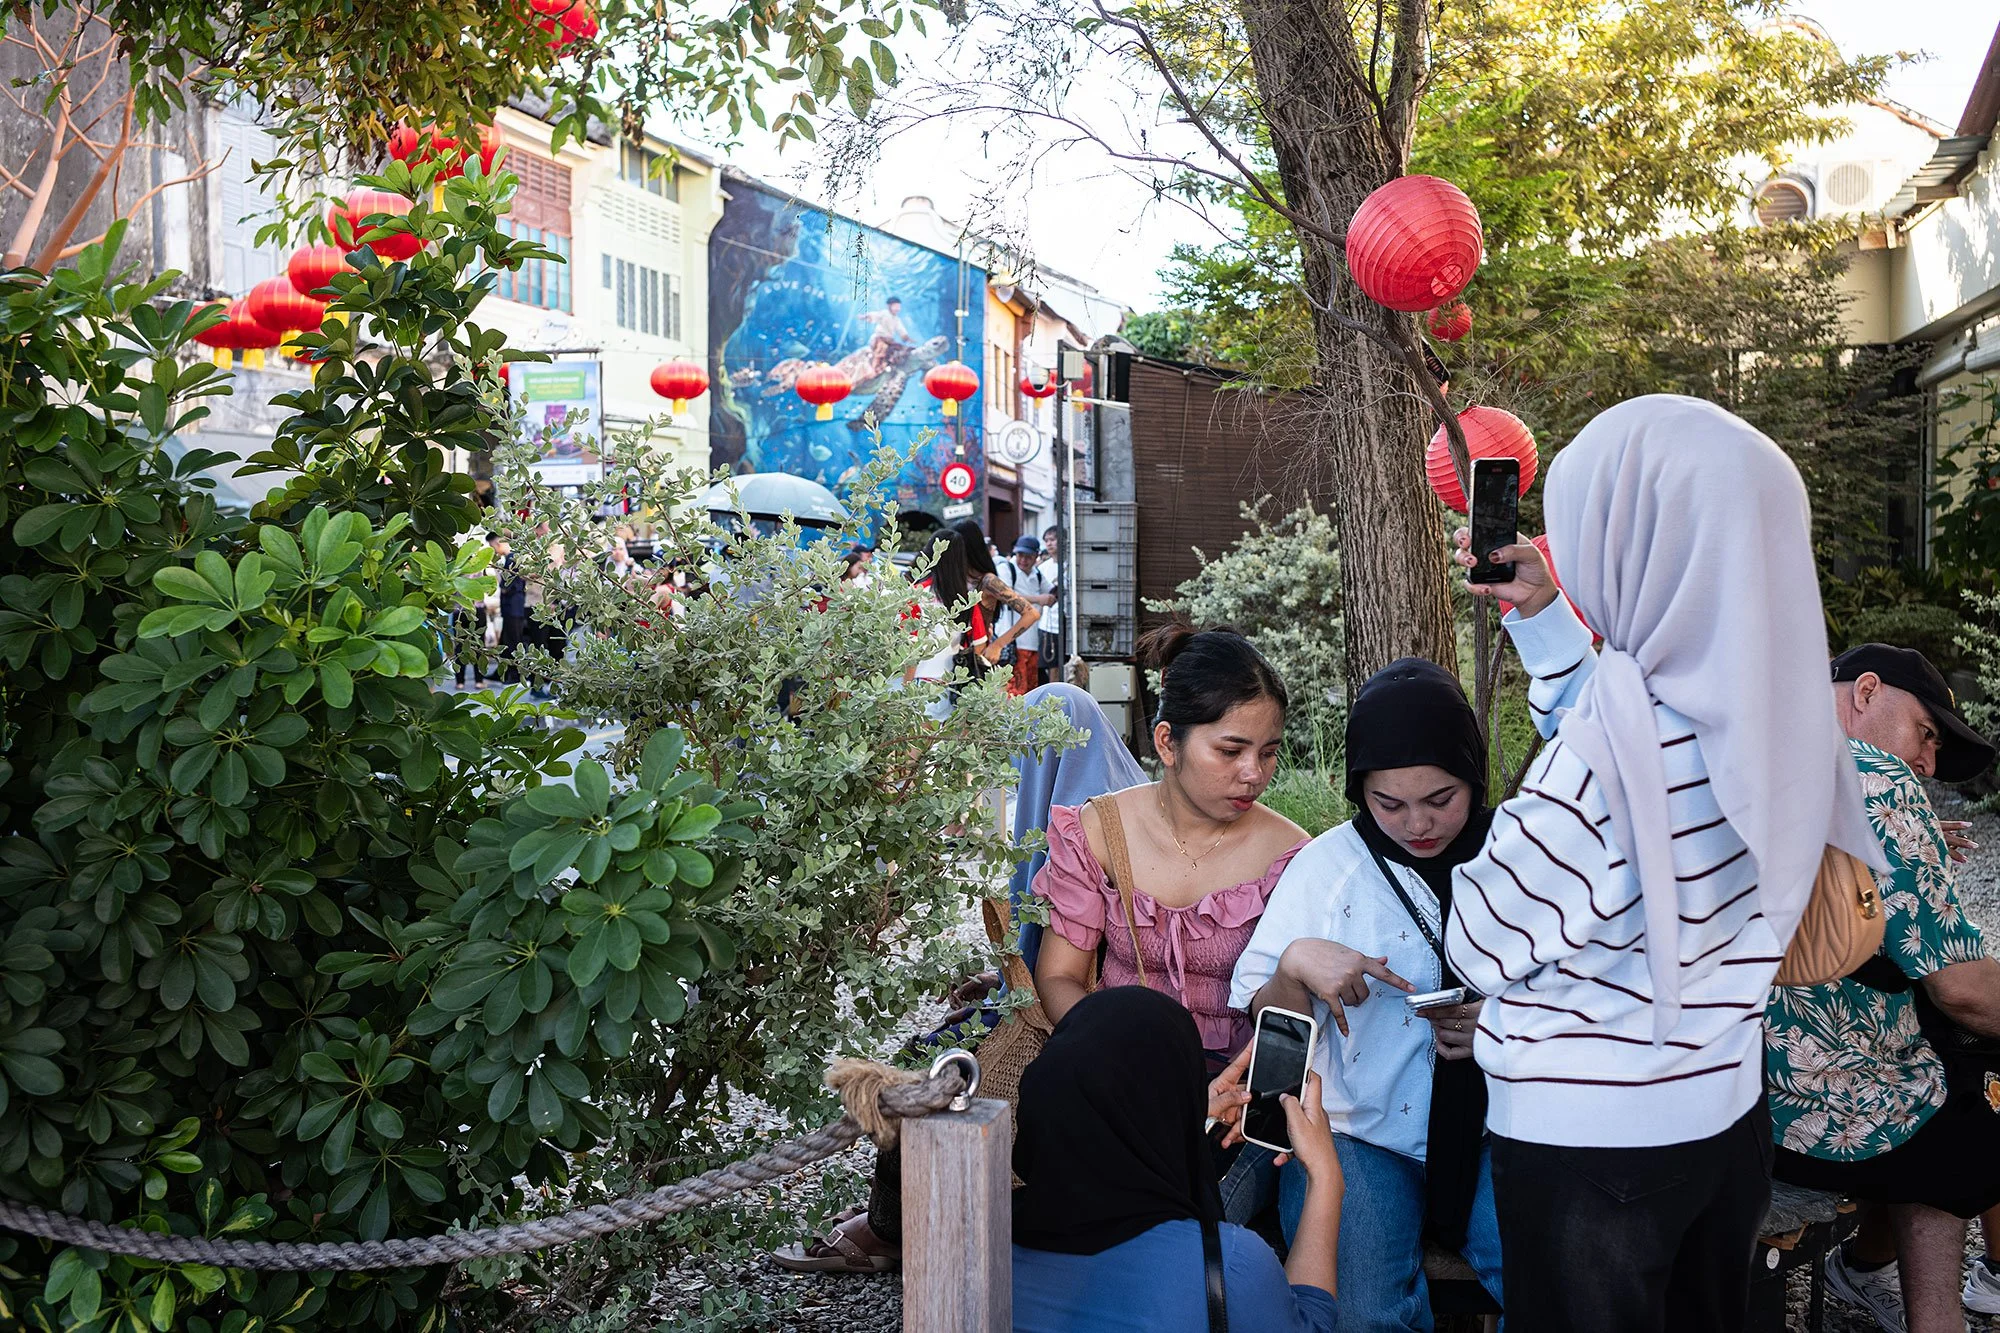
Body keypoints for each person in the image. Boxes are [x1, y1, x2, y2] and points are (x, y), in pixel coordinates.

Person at [1443, 394, 1886, 1333]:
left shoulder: (1605, 758)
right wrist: (1548, 618)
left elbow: (1482, 941)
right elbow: (1634, 737)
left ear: (1633, 545)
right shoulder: (1779, 711)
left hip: (1589, 1151)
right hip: (1722, 1118)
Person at [770, 684, 1147, 1274]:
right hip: (1067, 1006)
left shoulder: (1099, 829)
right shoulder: (1108, 797)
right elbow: (1047, 942)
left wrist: (1009, 999)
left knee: (930, 1064)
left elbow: (1088, 961)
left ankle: (889, 1231)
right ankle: (903, 1210)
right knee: (950, 1038)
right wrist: (999, 983)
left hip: (1088, 1022)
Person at [1230, 658, 1503, 1330]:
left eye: (1440, 799)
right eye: (1389, 803)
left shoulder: (1518, 855)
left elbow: (1585, 985)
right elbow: (1273, 1053)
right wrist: (1294, 968)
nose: (1416, 823)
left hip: (1505, 1127)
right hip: (1358, 1133)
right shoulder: (1330, 867)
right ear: (1361, 790)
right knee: (1359, 1312)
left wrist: (1507, 1020)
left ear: (1472, 772)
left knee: (1565, 1283)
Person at [1764, 643, 2000, 1333]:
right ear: (1865, 691)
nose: (1925, 764)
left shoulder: (1749, 744)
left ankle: (1876, 1272)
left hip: (1730, 1091)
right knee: (1968, 1091)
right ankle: (1943, 1306)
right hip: (1817, 1111)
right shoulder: (1878, 779)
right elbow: (1961, 985)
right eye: (1926, 734)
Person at [1033, 624, 1308, 1064]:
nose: (1254, 773)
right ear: (1167, 743)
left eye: (1268, 752)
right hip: (1115, 1062)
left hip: (1232, 1087)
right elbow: (1057, 977)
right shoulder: (1102, 830)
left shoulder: (1290, 856)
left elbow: (1288, 1022)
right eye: (1231, 751)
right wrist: (1123, 1059)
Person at [1012, 986, 1341, 1333]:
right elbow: (1312, 1322)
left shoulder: (984, 1247)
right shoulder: (1228, 1267)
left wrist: (1189, 1116)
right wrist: (1325, 1174)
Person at [946, 518, 1040, 677]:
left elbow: (1031, 613)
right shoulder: (956, 577)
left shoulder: (988, 581)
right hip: (952, 659)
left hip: (979, 663)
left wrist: (998, 645)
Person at [1000, 535, 1058, 697]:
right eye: (1020, 555)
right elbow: (1007, 596)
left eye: (1028, 557)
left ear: (1035, 557)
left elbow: (1050, 590)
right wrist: (1038, 600)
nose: (1023, 560)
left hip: (1032, 641)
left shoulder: (1037, 574)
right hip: (1012, 641)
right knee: (1013, 692)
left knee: (1030, 691)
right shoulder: (1007, 569)